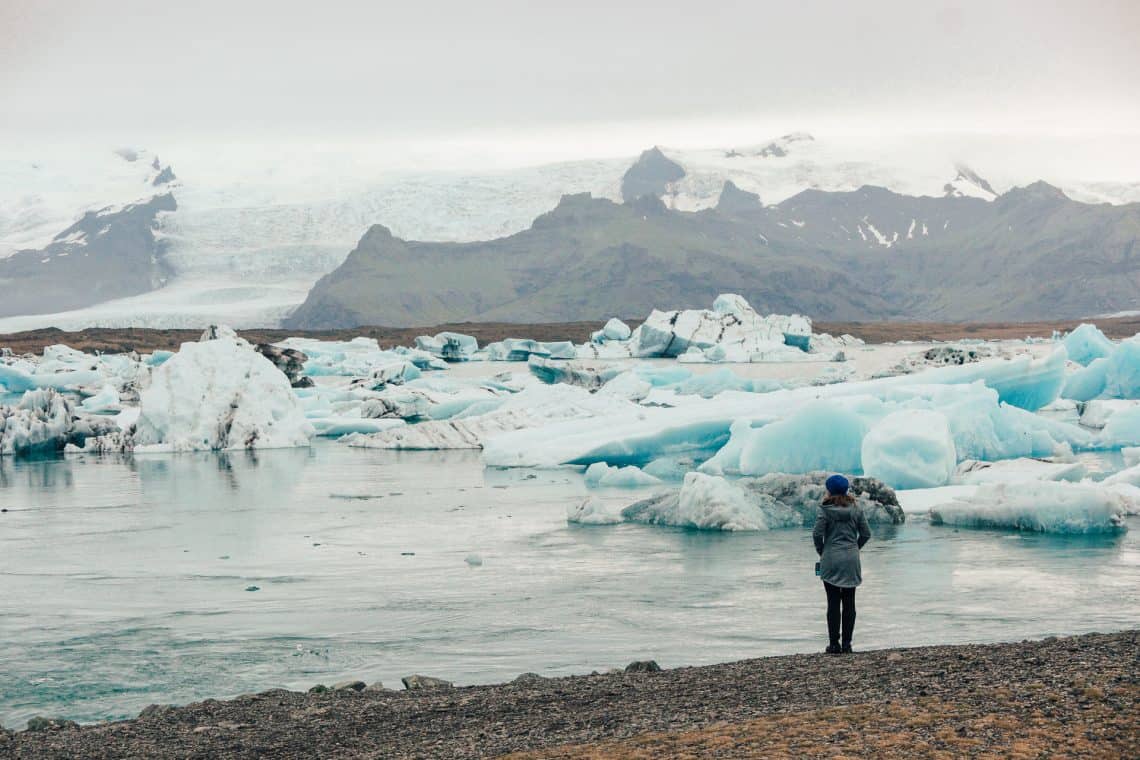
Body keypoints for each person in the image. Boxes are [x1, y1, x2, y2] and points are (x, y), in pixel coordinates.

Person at [812, 474, 871, 654]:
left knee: (833, 602)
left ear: (829, 490)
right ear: (846, 490)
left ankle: (834, 644)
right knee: (849, 602)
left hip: (831, 558)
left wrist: (822, 551)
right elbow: (866, 534)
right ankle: (847, 644)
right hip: (851, 559)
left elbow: (816, 534)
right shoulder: (856, 509)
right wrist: (855, 548)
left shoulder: (825, 510)